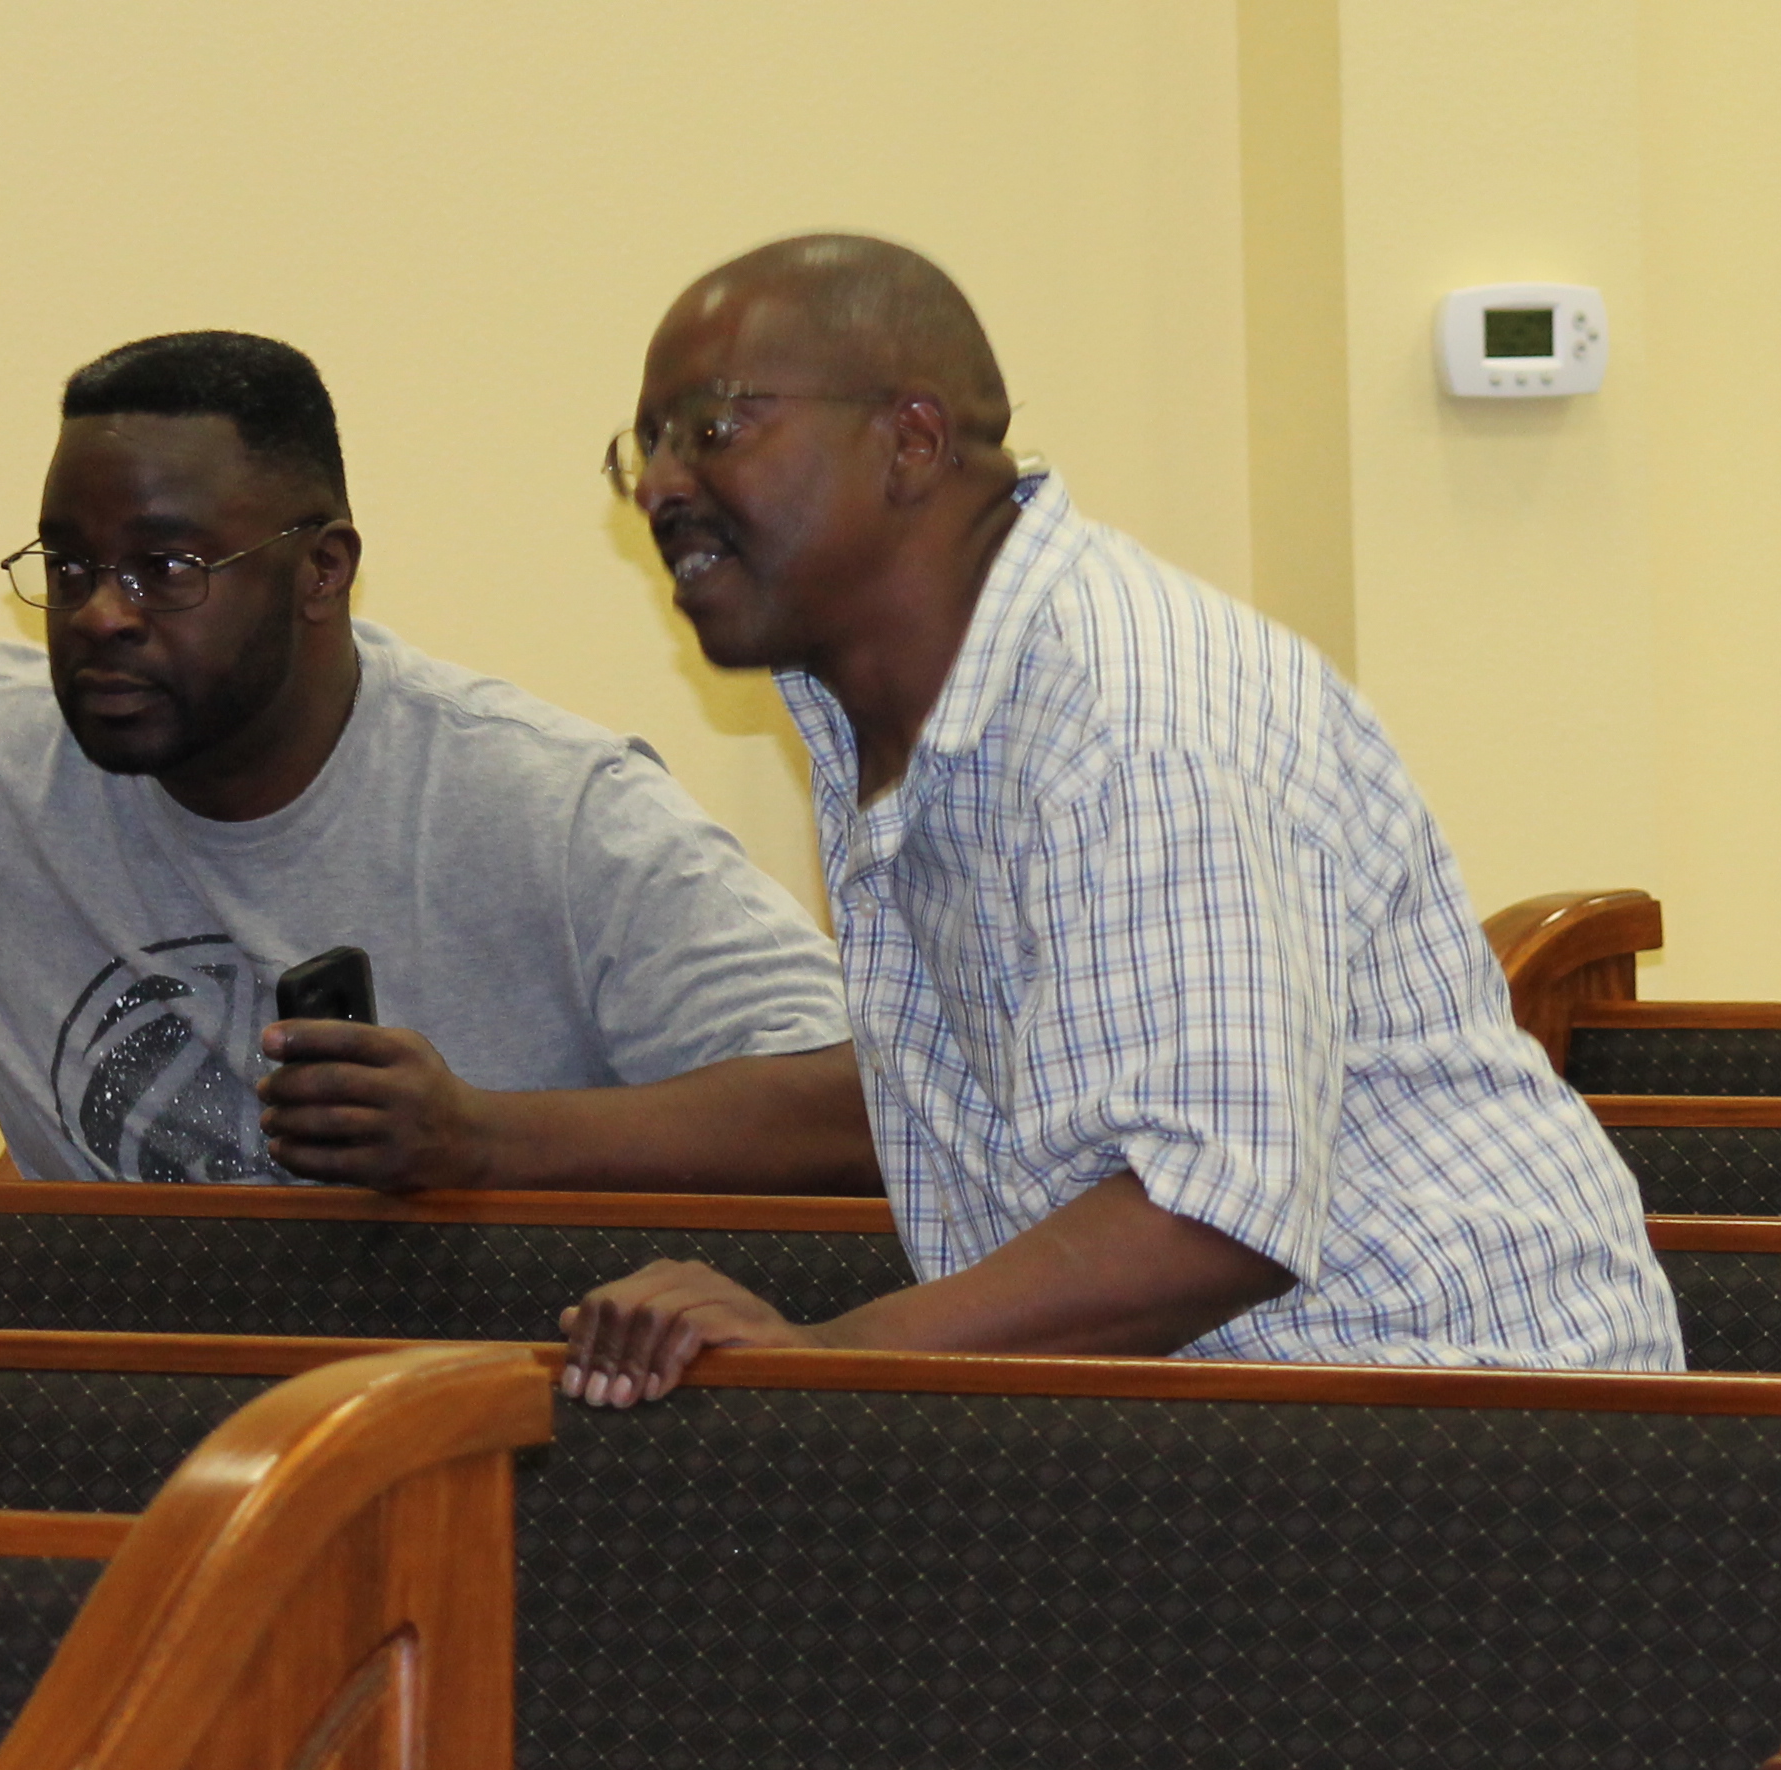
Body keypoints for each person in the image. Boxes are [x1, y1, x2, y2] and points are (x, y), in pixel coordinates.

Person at [555, 233, 1681, 1400]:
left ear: (912, 441)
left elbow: (1208, 1214)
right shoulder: (889, 710)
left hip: (1475, 1415)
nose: (659, 487)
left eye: (713, 429)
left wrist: (831, 1357)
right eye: (644, 446)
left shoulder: (1136, 714)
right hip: (1213, 1410)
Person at [0, 332, 868, 1243]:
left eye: (167, 569)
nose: (102, 615)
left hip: (472, 1435)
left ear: (323, 571)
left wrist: (482, 1138)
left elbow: (869, 1107)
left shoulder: (547, 809)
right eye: (69, 566)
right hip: (131, 1436)